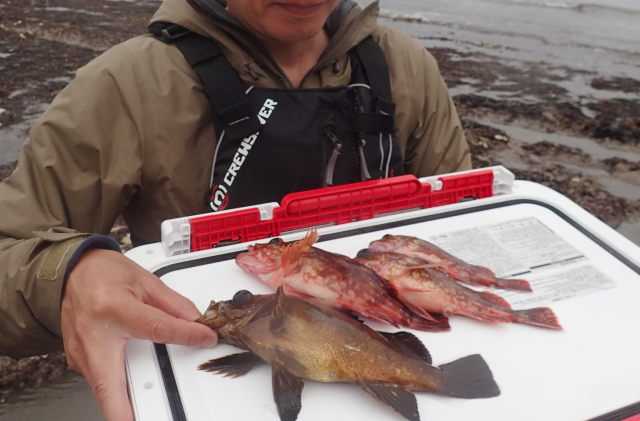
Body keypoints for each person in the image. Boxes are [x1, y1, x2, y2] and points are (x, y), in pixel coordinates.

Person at [0, 0, 471, 420]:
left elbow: (469, 227)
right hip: (204, 379)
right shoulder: (128, 85)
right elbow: (11, 247)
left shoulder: (404, 67)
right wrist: (67, 278)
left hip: (392, 368)